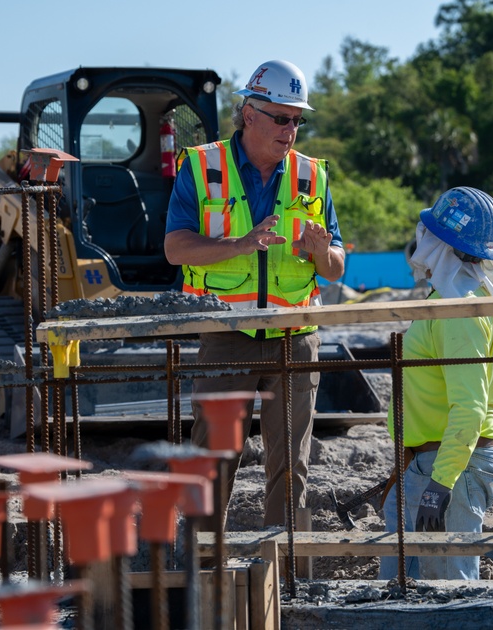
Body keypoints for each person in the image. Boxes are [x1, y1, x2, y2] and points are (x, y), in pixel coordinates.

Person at [164, 59, 346, 529]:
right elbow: (174, 248)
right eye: (282, 117)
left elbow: (336, 266)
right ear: (249, 114)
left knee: (292, 468)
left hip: (296, 334)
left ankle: (287, 574)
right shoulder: (203, 166)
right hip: (226, 335)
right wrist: (240, 244)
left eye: (297, 120)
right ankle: (203, 568)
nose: (291, 129)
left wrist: (322, 254)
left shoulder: (313, 176)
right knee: (214, 461)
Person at [378, 186, 493, 581]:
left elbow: (469, 409)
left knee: (448, 593)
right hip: (432, 462)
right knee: (407, 589)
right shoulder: (452, 301)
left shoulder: (459, 312)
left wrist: (440, 484)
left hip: (452, 466)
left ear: (442, 244)